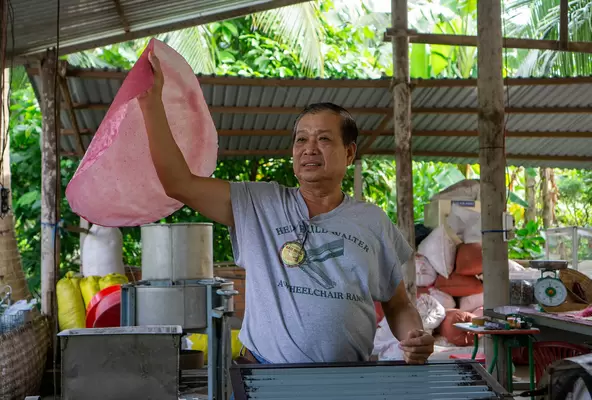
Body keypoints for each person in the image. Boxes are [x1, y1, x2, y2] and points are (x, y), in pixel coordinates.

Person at [138, 51, 435, 366]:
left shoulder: (373, 221)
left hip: (347, 380)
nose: (309, 148)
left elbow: (398, 304)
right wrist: (150, 103)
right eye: (300, 140)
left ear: (349, 154)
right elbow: (179, 183)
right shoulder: (257, 204)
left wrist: (414, 337)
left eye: (323, 139)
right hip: (264, 375)